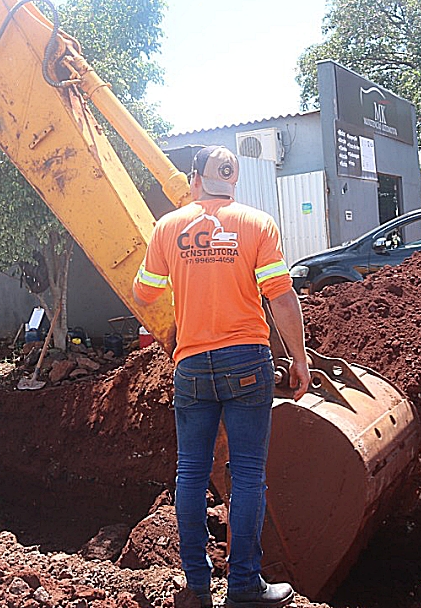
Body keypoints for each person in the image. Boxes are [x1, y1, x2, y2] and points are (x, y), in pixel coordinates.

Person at [133, 145, 310, 608]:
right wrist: (299, 358)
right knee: (247, 474)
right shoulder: (256, 224)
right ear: (232, 180)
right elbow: (282, 297)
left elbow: (143, 291)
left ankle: (196, 586)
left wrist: (181, 274)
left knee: (190, 474)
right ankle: (245, 586)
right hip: (247, 362)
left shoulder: (168, 227)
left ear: (194, 178)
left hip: (192, 364)